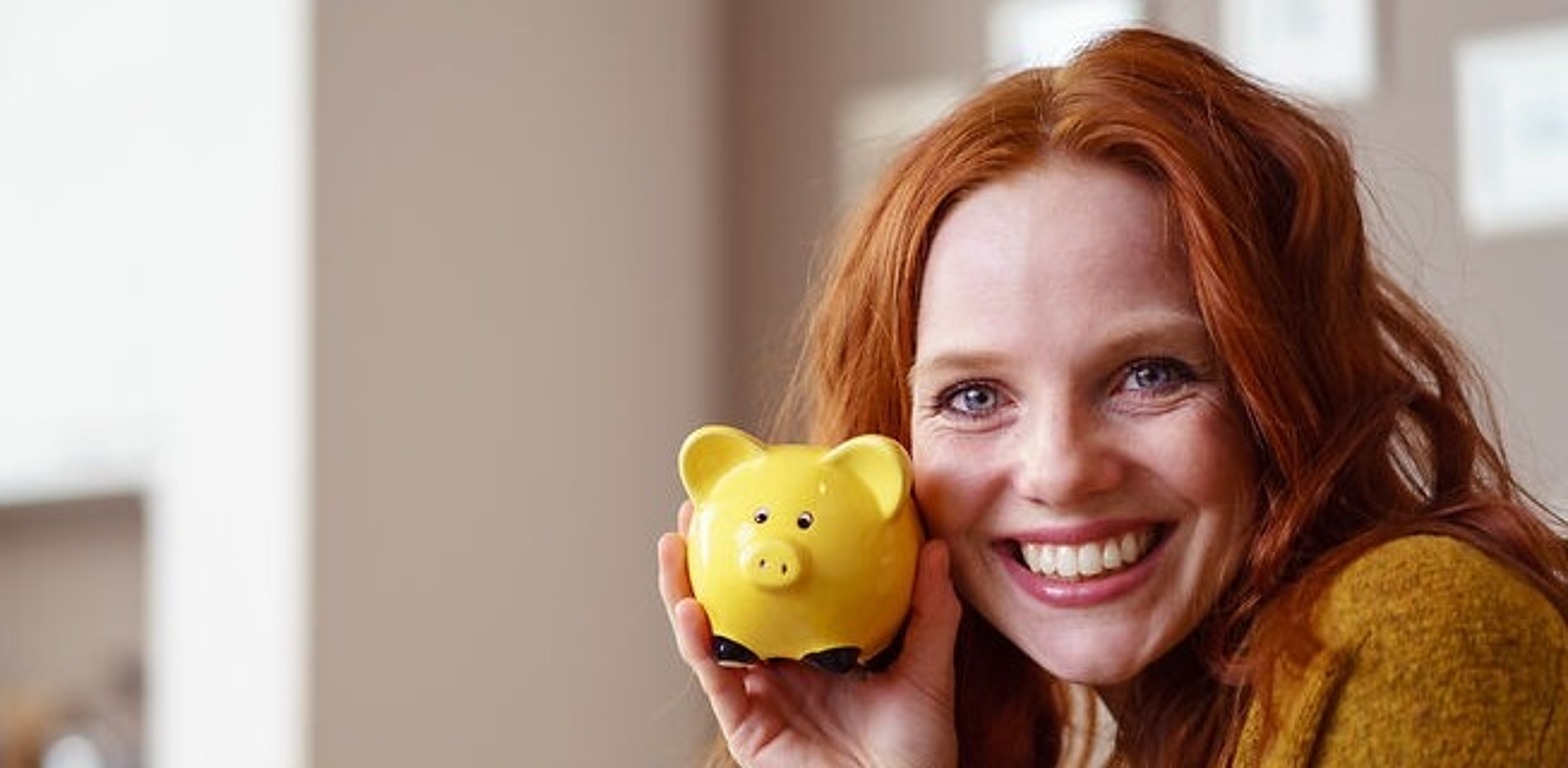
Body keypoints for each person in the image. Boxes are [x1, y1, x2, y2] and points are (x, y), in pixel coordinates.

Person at [656, 27, 1568, 767]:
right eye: (974, 396)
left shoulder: (1416, 630)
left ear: (1276, 391)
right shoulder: (1165, 736)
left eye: (1151, 374)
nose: (1058, 469)